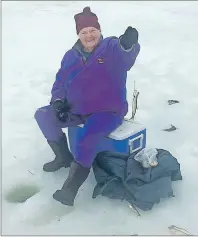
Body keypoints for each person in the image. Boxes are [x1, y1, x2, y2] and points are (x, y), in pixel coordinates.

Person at [34, 6, 140, 206]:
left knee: (88, 136)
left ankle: (69, 190)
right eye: (84, 32)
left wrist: (127, 45)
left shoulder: (110, 47)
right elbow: (59, 82)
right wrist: (58, 102)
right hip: (76, 109)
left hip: (107, 110)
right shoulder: (70, 55)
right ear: (78, 35)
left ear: (99, 31)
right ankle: (63, 158)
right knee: (43, 115)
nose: (89, 35)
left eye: (93, 30)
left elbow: (125, 56)